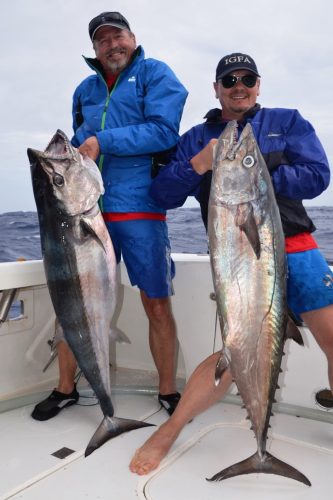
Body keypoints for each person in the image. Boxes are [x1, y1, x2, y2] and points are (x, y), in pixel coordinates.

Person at [129, 52, 333, 475]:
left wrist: (258, 168)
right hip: (238, 257)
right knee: (232, 349)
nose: (238, 85)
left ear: (258, 85)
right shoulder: (197, 136)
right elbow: (162, 195)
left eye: (247, 78)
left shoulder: (287, 121)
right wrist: (198, 165)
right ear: (217, 88)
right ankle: (171, 430)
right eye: (229, 79)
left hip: (296, 245)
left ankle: (262, 441)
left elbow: (318, 175)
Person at [31, 12, 188, 421]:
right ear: (95, 49)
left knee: (156, 303)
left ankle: (168, 390)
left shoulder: (156, 74)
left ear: (133, 38)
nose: (112, 45)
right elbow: (77, 151)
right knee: (72, 304)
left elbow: (164, 131)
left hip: (140, 208)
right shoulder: (84, 89)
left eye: (117, 36)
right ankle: (66, 388)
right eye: (102, 40)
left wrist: (103, 140)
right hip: (88, 211)